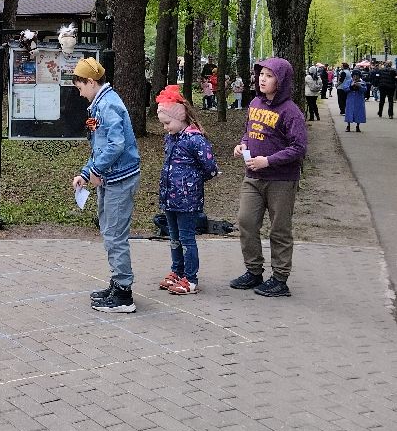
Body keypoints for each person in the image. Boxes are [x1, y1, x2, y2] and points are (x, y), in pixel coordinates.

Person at [229, 58, 308, 298]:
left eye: (269, 75)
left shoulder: (291, 112)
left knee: (279, 229)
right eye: (261, 74)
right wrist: (242, 144)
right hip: (253, 177)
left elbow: (299, 148)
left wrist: (269, 160)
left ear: (281, 80)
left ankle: (280, 279)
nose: (262, 79)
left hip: (281, 180)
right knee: (246, 222)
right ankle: (254, 271)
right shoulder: (254, 103)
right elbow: (249, 131)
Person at [72, 58, 141, 313]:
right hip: (110, 178)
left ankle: (124, 294)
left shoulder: (108, 105)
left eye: (80, 87)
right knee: (109, 231)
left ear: (91, 82)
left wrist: (96, 170)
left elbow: (115, 145)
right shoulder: (100, 103)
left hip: (119, 179)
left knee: (115, 234)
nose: (79, 93)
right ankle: (117, 282)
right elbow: (99, 145)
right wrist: (86, 172)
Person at [155, 86, 219, 296]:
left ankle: (190, 279)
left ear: (180, 118)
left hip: (187, 200)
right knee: (173, 237)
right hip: (170, 199)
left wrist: (191, 183)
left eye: (167, 123)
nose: (165, 127)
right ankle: (177, 271)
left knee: (186, 239)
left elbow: (210, 167)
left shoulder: (195, 139)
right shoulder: (172, 138)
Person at [342, 68, 367, 132]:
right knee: (349, 112)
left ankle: (358, 126)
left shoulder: (362, 82)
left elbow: (365, 90)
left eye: (357, 76)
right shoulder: (348, 81)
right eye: (354, 76)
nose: (355, 77)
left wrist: (359, 86)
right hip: (350, 100)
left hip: (359, 100)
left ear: (359, 76)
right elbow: (345, 89)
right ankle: (348, 126)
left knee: (358, 113)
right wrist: (351, 86)